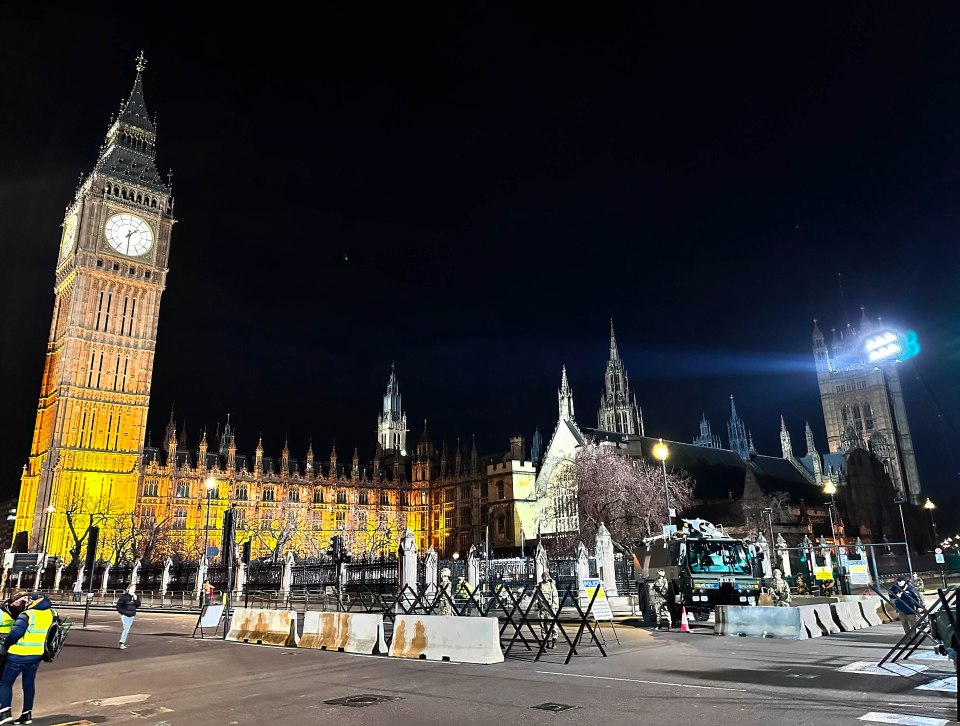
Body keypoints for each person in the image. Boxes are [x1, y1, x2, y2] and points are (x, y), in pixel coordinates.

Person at [0, 591, 56, 725]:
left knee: (5, 683)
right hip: (37, 654)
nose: (28, 602)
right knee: (28, 684)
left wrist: (6, 643)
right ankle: (27, 714)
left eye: (30, 600)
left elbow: (15, 634)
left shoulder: (28, 615)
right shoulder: (51, 613)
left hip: (18, 654)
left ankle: (5, 712)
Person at [536, 571, 560, 649]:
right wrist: (538, 605)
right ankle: (546, 642)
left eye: (546, 576)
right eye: (544, 576)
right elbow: (536, 596)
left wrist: (554, 606)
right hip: (542, 609)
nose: (545, 578)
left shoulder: (551, 585)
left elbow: (555, 596)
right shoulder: (539, 585)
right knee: (543, 626)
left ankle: (554, 643)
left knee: (553, 626)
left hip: (551, 608)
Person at [116, 584, 140, 650]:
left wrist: (135, 599)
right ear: (128, 589)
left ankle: (122, 642)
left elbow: (138, 605)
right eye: (132, 588)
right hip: (125, 615)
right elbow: (118, 605)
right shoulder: (124, 596)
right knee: (126, 628)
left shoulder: (135, 596)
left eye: (134, 588)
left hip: (132, 615)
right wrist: (123, 612)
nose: (133, 590)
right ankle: (122, 642)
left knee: (127, 628)